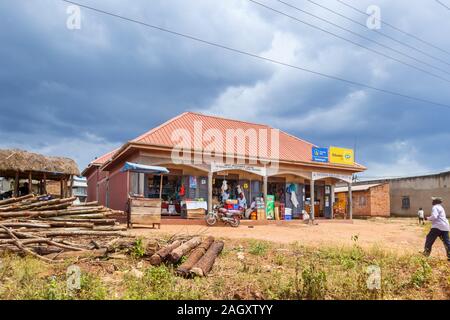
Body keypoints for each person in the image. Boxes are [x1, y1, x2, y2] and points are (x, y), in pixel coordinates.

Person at [423, 197, 450, 261]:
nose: (432, 201)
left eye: (433, 200)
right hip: (445, 226)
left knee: (429, 238)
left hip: (437, 226)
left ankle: (426, 253)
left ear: (436, 202)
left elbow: (434, 216)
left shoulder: (435, 207)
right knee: (446, 242)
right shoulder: (441, 207)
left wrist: (427, 218)